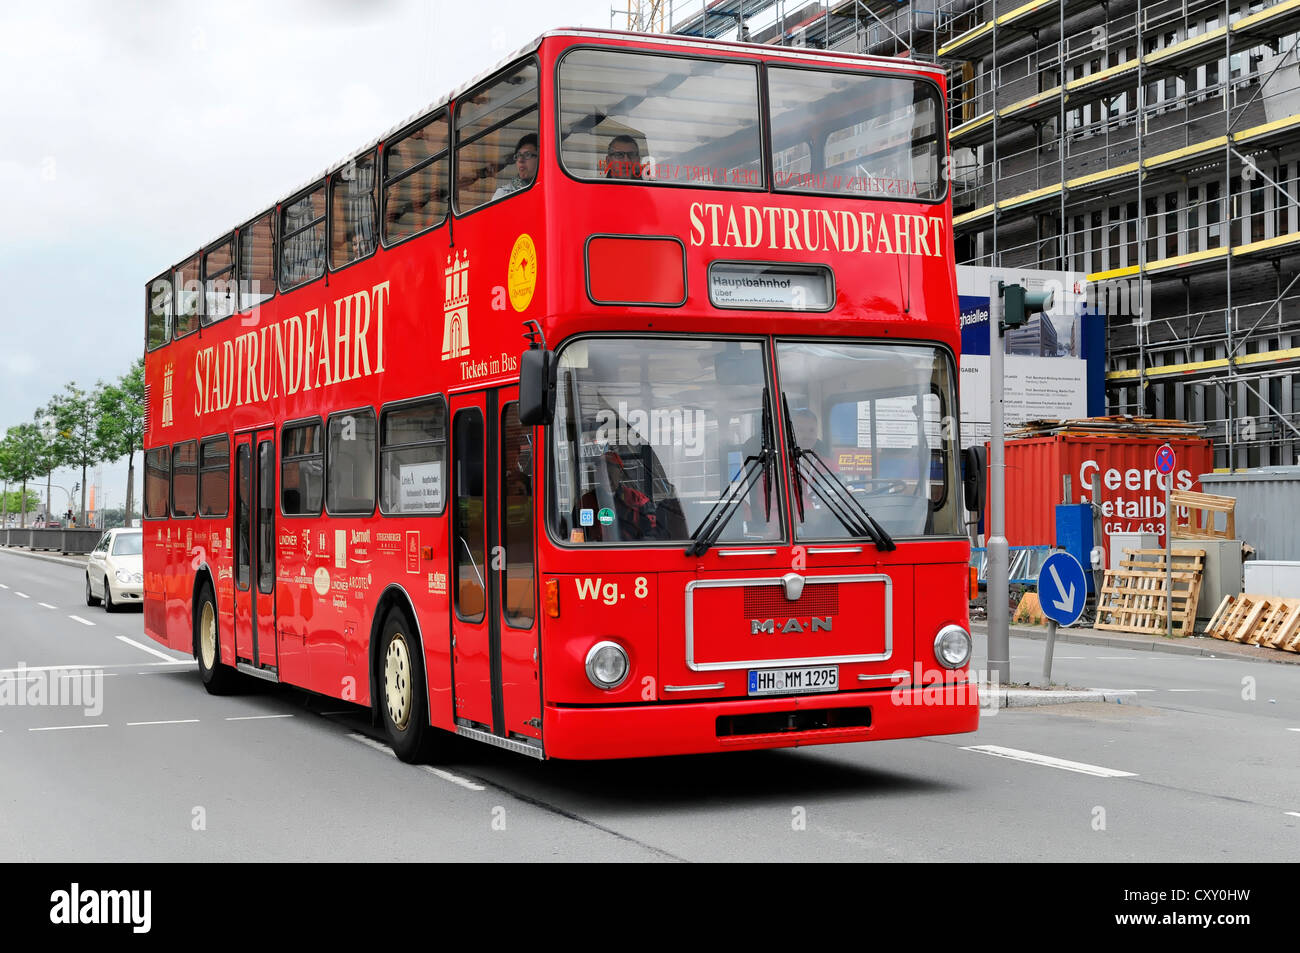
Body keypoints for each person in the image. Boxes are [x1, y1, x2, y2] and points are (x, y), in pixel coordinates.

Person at [492, 133, 538, 200]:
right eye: (518, 155)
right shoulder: (504, 194)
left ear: (541, 158)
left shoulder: (551, 189)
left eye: (527, 155)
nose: (520, 160)